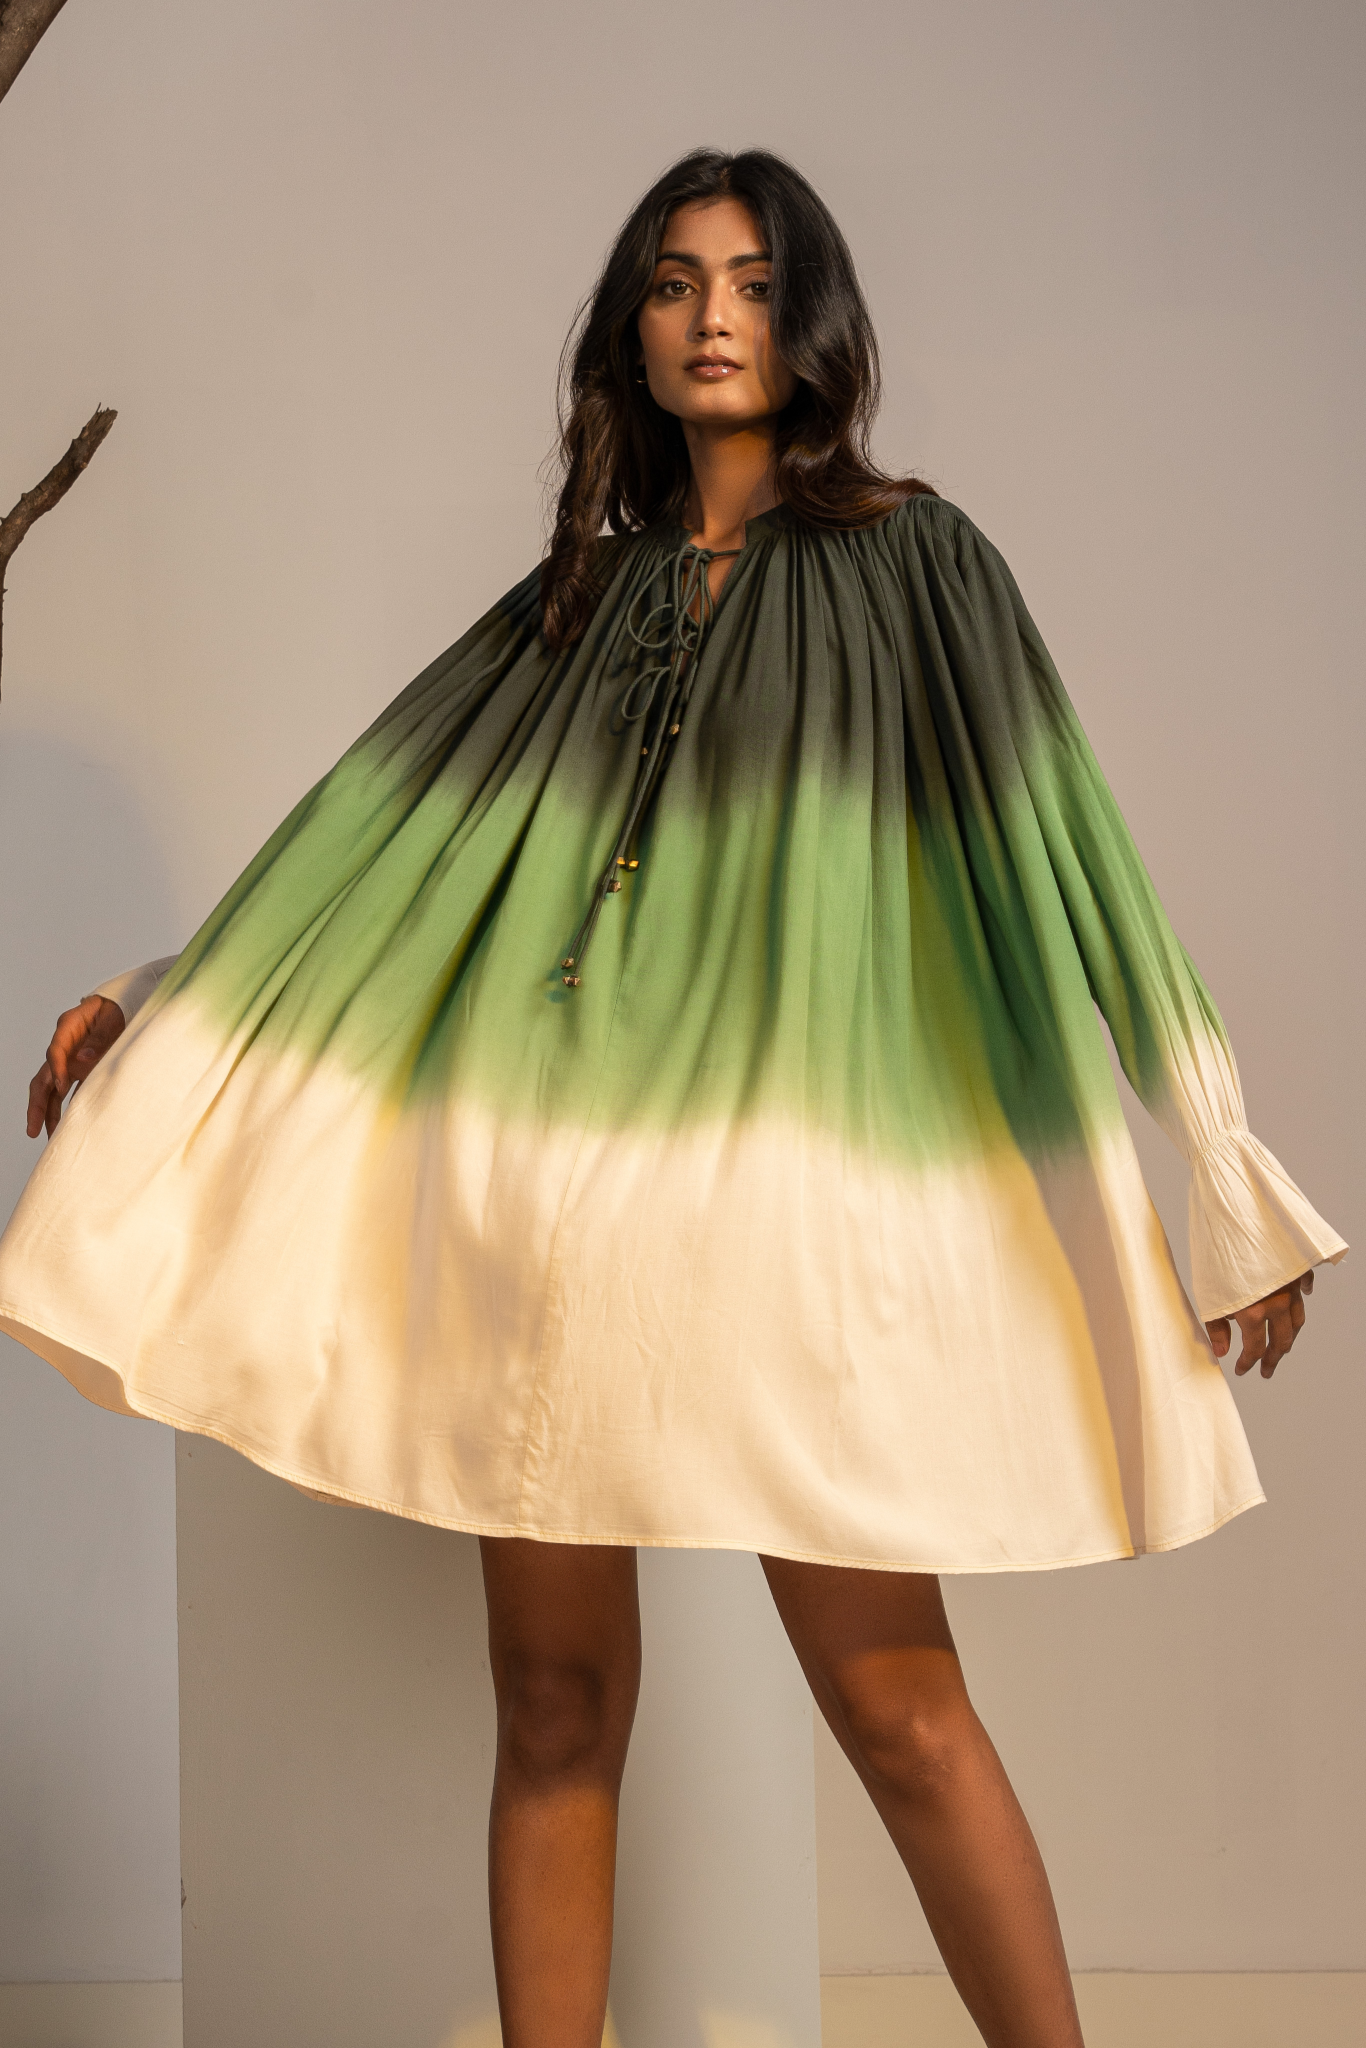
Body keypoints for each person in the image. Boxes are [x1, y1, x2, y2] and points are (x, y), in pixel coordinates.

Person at [1, 149, 1346, 2048]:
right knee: (553, 1706)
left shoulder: (918, 561)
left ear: (812, 320)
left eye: (753, 279)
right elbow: (372, 851)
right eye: (673, 280)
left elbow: (1067, 855)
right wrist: (165, 1003)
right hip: (551, 1221)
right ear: (630, 329)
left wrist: (1214, 1165)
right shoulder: (579, 595)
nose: (713, 315)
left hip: (786, 1220)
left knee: (894, 1705)